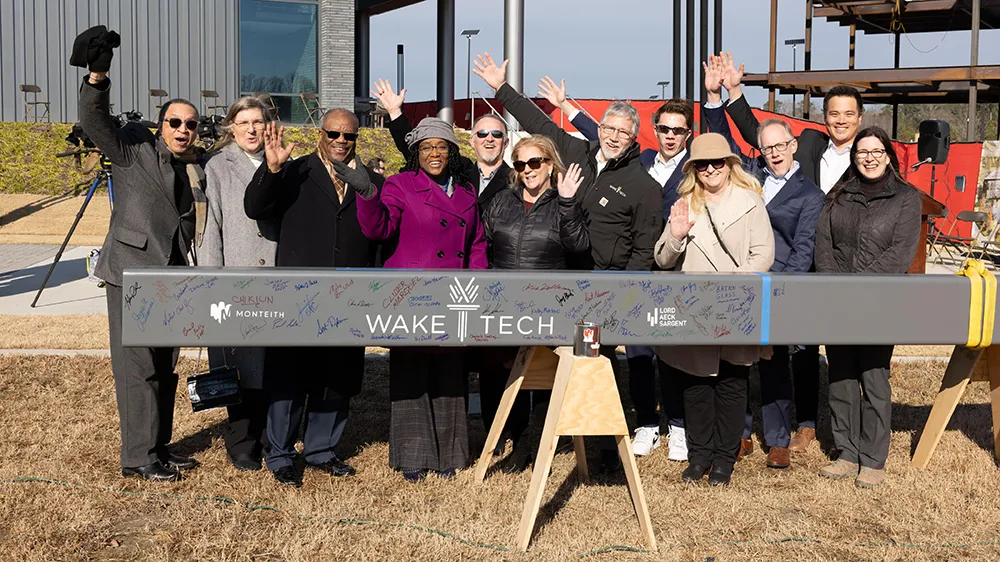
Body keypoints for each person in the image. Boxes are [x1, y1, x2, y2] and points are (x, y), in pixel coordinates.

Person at [474, 52, 662, 471]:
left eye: (623, 132)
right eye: (609, 127)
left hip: (604, 290)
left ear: (634, 139)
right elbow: (538, 125)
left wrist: (625, 296)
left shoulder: (642, 186)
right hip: (563, 282)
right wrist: (501, 88)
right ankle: (532, 444)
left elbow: (644, 250)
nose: (614, 136)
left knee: (596, 369)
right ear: (600, 127)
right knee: (543, 364)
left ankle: (605, 452)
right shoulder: (577, 150)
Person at [72, 26, 204, 482]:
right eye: (175, 122)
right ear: (159, 123)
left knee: (164, 366)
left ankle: (160, 446)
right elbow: (94, 121)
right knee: (137, 369)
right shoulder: (132, 149)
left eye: (191, 124)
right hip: (131, 276)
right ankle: (137, 457)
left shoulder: (189, 167)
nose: (184, 129)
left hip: (170, 281)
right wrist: (98, 75)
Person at [536, 77, 693, 461]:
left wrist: (632, 285)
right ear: (653, 132)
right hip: (607, 280)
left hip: (655, 276)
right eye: (664, 128)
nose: (670, 135)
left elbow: (644, 239)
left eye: (678, 130)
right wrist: (564, 105)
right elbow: (603, 133)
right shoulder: (640, 161)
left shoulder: (691, 168)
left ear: (688, 134)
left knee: (666, 356)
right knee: (607, 355)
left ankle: (675, 425)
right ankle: (624, 425)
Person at [722, 52, 866, 453]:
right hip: (799, 260)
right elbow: (761, 135)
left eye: (847, 114)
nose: (839, 120)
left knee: (823, 348)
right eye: (833, 113)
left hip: (839, 261)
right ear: (824, 120)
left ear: (859, 118)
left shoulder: (869, 155)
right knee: (797, 347)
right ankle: (801, 423)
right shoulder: (810, 147)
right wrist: (734, 92)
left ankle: (811, 420)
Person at [244, 109, 383, 487]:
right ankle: (281, 453)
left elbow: (379, 234)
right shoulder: (294, 171)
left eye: (349, 136)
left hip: (349, 296)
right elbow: (254, 208)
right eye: (333, 133)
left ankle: (322, 449)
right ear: (321, 133)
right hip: (298, 296)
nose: (341, 141)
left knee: (336, 376)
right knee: (289, 377)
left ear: (358, 139)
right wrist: (271, 169)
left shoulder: (372, 182)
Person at [702, 54, 825, 470]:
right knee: (736, 363)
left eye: (780, 146)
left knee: (774, 366)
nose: (773, 152)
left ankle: (777, 439)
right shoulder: (750, 173)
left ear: (793, 146)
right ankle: (739, 434)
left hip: (776, 286)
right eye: (767, 146)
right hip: (740, 280)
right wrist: (715, 96)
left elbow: (803, 248)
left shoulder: (810, 196)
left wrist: (781, 291)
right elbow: (718, 141)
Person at [355, 117, 488, 483]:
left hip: (455, 294)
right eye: (427, 147)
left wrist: (474, 282)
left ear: (451, 152)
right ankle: (413, 455)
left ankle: (451, 454)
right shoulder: (399, 185)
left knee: (450, 375)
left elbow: (476, 243)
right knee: (412, 374)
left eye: (441, 147)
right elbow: (379, 228)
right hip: (411, 296)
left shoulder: (465, 191)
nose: (434, 153)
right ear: (415, 152)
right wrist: (367, 195)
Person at [652, 133, 774, 486]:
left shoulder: (751, 202)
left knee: (734, 383)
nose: (710, 170)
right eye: (701, 164)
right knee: (696, 385)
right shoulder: (684, 204)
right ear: (693, 169)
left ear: (730, 164)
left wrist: (727, 290)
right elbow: (662, 259)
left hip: (737, 306)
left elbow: (763, 256)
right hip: (695, 309)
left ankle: (724, 459)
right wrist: (675, 235)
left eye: (717, 162)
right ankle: (699, 455)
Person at [814, 127, 921, 488]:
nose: (869, 157)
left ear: (888, 155)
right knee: (841, 377)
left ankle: (873, 458)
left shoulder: (906, 198)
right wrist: (834, 286)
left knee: (874, 378)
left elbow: (901, 253)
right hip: (838, 301)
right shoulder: (838, 195)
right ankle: (847, 452)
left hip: (878, 302)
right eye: (862, 152)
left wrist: (859, 288)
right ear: (854, 157)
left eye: (876, 151)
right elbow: (824, 244)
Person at [480, 135, 589, 471]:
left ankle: (533, 445)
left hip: (549, 307)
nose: (527, 170)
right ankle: (517, 438)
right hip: (504, 305)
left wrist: (568, 204)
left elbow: (580, 247)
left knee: (543, 377)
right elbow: (484, 247)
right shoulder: (501, 202)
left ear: (549, 164)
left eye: (534, 163)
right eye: (520, 164)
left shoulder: (564, 202)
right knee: (508, 375)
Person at [201, 96, 277, 472]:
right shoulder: (217, 166)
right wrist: (212, 281)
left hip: (276, 279)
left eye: (258, 122)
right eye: (244, 122)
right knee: (238, 365)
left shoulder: (282, 162)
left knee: (270, 363)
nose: (251, 129)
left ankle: (270, 435)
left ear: (268, 126)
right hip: (235, 278)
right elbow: (209, 228)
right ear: (232, 127)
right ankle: (242, 440)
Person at [370, 79, 511, 213]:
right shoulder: (459, 170)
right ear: (471, 141)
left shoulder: (517, 179)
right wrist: (395, 113)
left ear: (506, 142)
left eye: (497, 134)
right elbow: (417, 152)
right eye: (482, 134)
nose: (489, 139)